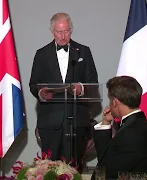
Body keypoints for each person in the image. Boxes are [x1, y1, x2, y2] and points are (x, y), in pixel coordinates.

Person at [29, 12, 98, 170]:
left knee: (75, 169)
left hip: (77, 121)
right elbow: (33, 84)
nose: (63, 36)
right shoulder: (41, 54)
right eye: (59, 32)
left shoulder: (84, 52)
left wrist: (81, 88)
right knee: (49, 170)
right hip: (50, 122)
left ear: (71, 30)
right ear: (52, 31)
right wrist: (41, 93)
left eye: (66, 31)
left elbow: (92, 82)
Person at [92, 76, 147, 179]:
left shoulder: (132, 131)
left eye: (110, 100)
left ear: (115, 102)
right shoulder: (135, 124)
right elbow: (107, 158)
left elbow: (107, 171)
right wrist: (105, 122)